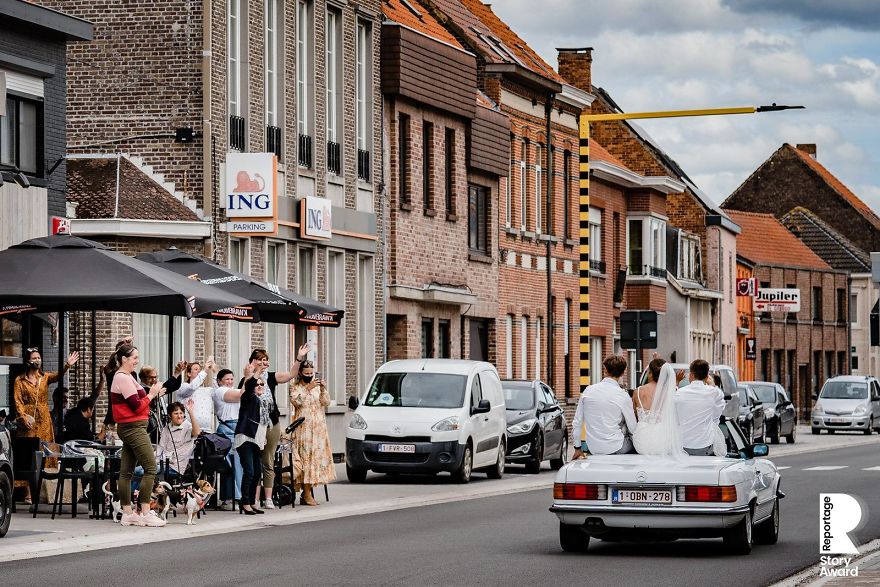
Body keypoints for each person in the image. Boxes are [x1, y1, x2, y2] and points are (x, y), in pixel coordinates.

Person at [238, 344, 310, 509]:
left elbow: (291, 374)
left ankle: (268, 498)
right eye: (260, 360)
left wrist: (299, 357)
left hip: (271, 422)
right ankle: (253, 499)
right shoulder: (247, 380)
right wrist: (251, 374)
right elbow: (244, 393)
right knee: (254, 463)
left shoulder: (270, 377)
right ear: (252, 362)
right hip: (254, 426)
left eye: (265, 360)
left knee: (268, 460)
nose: (263, 363)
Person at [107, 343, 167, 527]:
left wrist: (153, 394)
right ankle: (145, 511)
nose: (137, 361)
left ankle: (127, 513)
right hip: (133, 428)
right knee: (151, 468)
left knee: (126, 472)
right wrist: (152, 394)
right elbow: (136, 406)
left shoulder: (127, 377)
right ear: (124, 359)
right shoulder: (123, 378)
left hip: (130, 427)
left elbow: (136, 402)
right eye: (134, 358)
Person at [13, 347, 79, 504]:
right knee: (29, 454)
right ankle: (28, 492)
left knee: (45, 452)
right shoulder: (19, 380)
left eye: (38, 357)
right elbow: (18, 402)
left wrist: (67, 365)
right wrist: (23, 417)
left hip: (43, 419)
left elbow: (57, 376)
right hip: (29, 420)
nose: (37, 360)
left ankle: (44, 491)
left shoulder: (44, 378)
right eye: (34, 357)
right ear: (27, 360)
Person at [289, 361, 336, 506]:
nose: (310, 376)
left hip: (318, 429)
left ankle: (307, 492)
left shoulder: (316, 388)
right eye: (307, 373)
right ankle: (307, 493)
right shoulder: (295, 387)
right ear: (300, 373)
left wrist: (323, 389)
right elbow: (296, 402)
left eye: (311, 373)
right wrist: (307, 388)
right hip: (304, 430)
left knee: (315, 460)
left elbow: (326, 402)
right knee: (305, 461)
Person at [572, 355, 637, 458]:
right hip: (617, 447)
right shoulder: (623, 395)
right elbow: (633, 428)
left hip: (593, 448)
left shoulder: (587, 391)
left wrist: (577, 448)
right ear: (623, 373)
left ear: (605, 370)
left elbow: (577, 423)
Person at [234, 363, 271, 515]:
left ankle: (251, 501)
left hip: (257, 440)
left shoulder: (263, 401)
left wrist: (263, 438)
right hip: (245, 438)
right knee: (249, 470)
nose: (260, 386)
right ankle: (245, 502)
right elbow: (248, 388)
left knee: (257, 472)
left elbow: (263, 423)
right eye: (257, 384)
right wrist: (255, 373)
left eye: (262, 384)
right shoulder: (248, 398)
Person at [632, 362, 686, 457]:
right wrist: (677, 382)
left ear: (651, 374)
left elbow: (635, 415)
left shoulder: (638, 391)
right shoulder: (671, 392)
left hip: (642, 444)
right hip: (664, 443)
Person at [676, 359, 727, 456]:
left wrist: (676, 382)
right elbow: (718, 412)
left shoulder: (680, 393)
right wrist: (712, 385)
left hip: (683, 445)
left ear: (691, 374)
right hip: (705, 445)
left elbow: (673, 413)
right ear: (707, 376)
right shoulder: (713, 392)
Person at [212, 368, 246, 510]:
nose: (230, 381)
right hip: (227, 428)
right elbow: (241, 395)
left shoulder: (233, 390)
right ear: (220, 381)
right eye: (227, 379)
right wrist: (250, 375)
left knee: (239, 465)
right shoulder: (220, 391)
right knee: (230, 465)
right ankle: (229, 498)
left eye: (232, 379)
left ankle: (237, 497)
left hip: (238, 427)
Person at [156, 399, 201, 479]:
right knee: (136, 471)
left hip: (176, 468)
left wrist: (190, 412)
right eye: (176, 413)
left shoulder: (187, 427)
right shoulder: (166, 429)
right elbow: (160, 448)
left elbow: (197, 432)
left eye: (181, 413)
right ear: (170, 416)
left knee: (141, 471)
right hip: (163, 464)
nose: (179, 416)